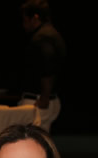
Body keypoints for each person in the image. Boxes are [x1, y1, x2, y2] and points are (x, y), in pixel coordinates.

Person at [18, 0, 66, 131]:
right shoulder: (53, 34)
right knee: (41, 138)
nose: (24, 25)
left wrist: (44, 97)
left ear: (35, 18)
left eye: (25, 20)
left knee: (31, 138)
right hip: (49, 98)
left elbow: (48, 67)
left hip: (38, 100)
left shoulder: (42, 38)